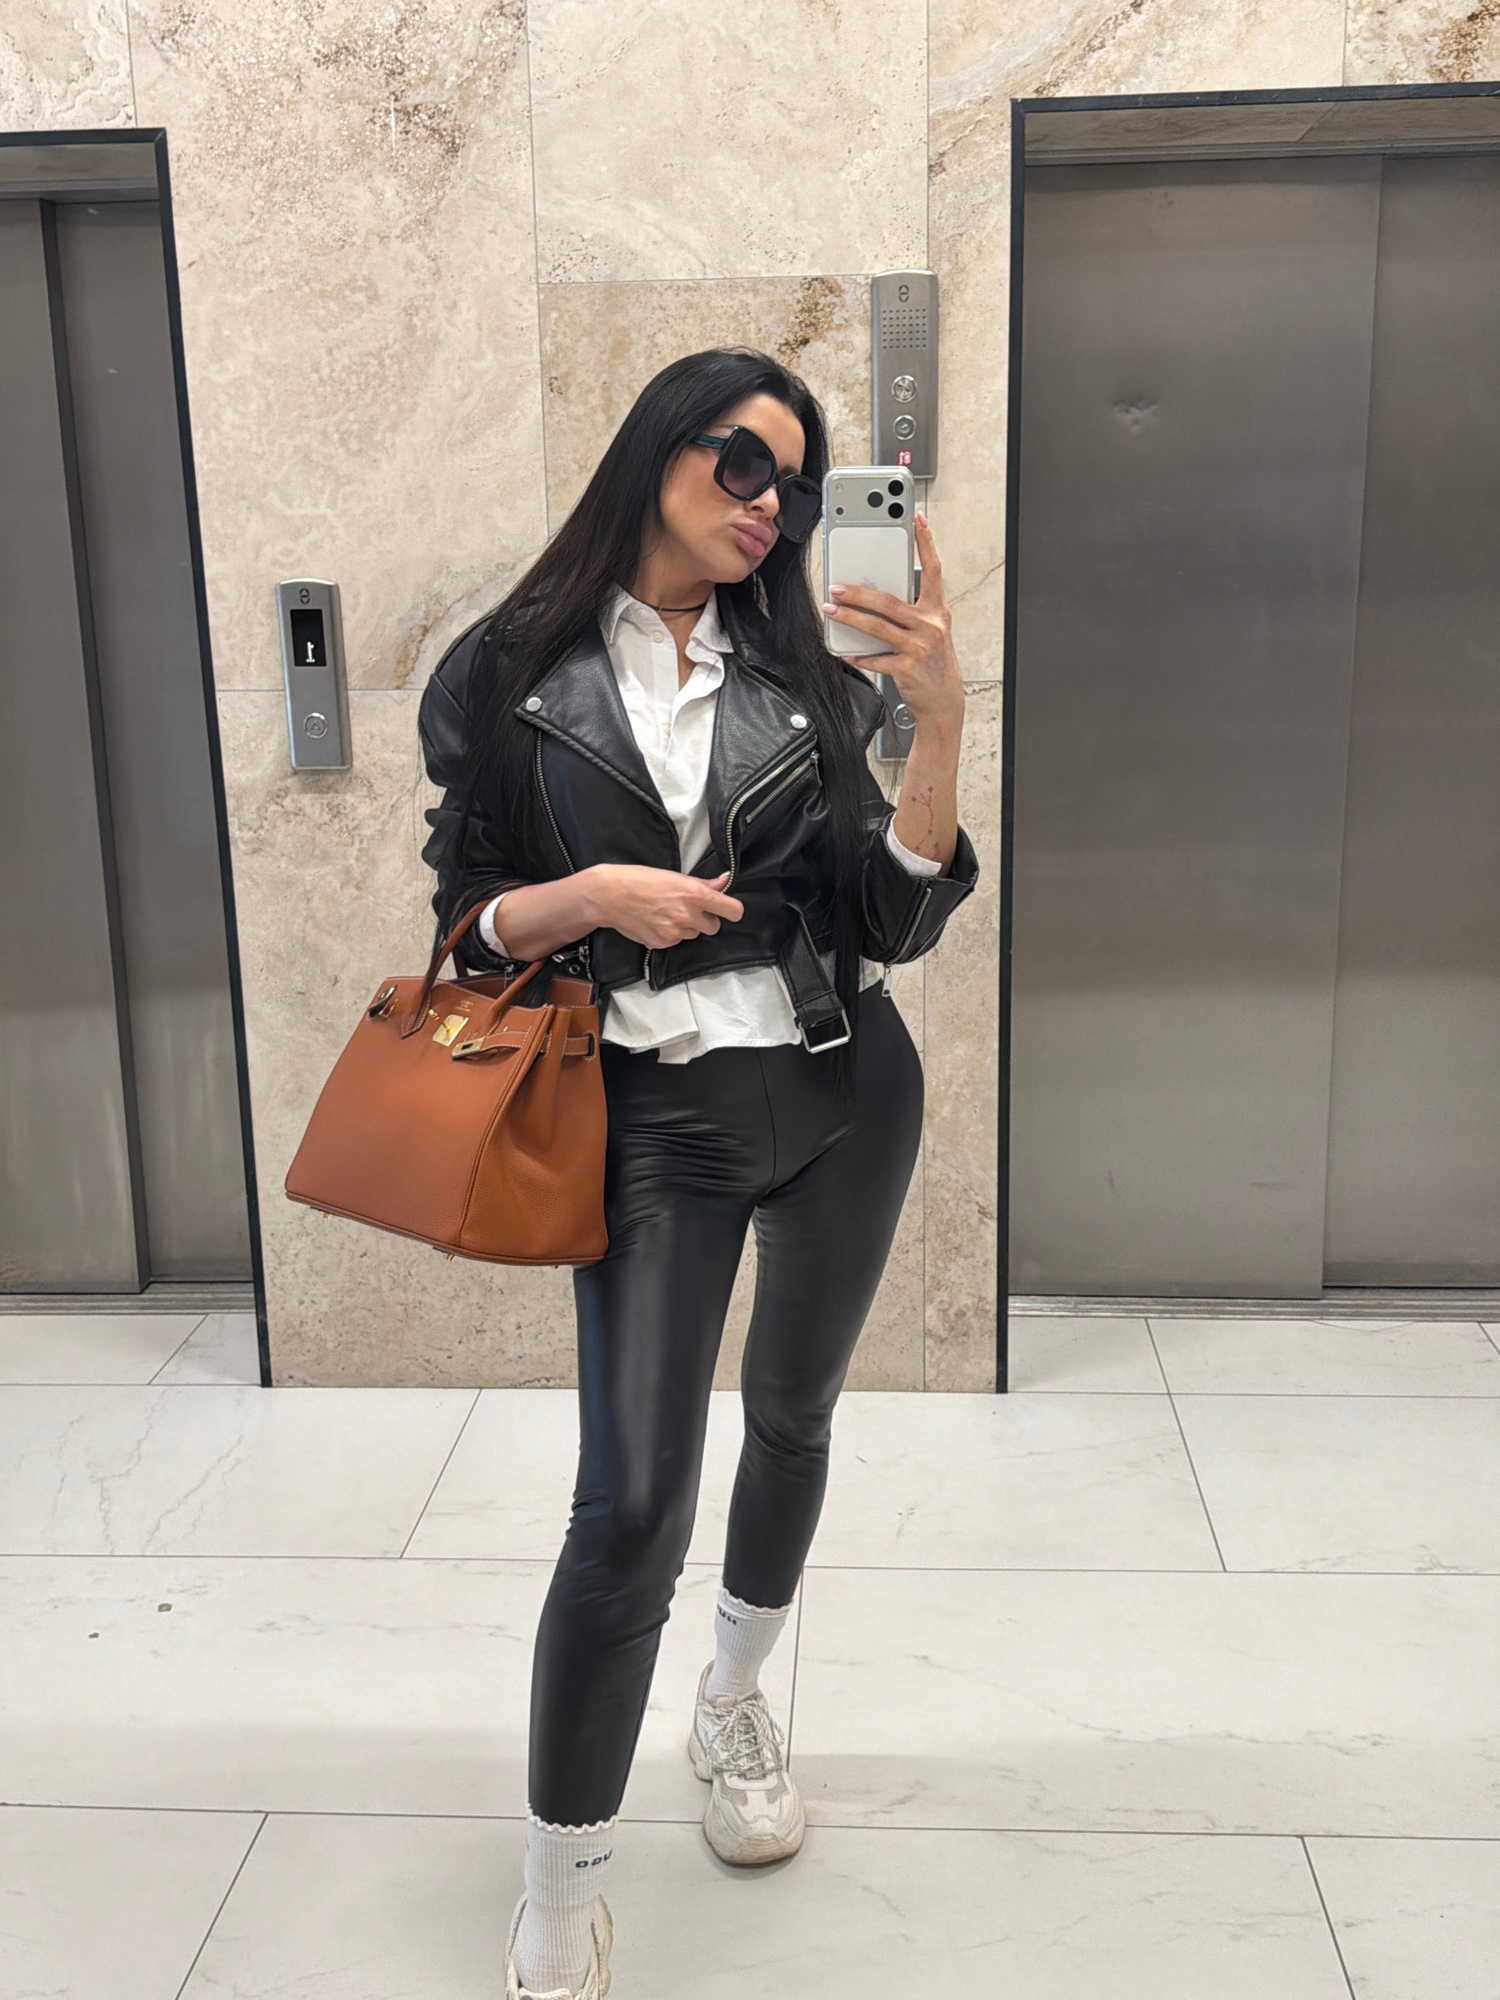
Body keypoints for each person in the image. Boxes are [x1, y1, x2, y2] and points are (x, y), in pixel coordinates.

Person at [419, 347, 976, 2000]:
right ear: (660, 448)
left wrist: (942, 720)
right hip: (653, 1119)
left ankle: (733, 1704)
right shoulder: (504, 669)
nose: (769, 506)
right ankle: (562, 1877)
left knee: (794, 1416)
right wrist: (592, 895)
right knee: (633, 1504)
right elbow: (465, 925)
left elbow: (891, 920)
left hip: (843, 1091)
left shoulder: (814, 669)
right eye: (742, 463)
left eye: (793, 486)